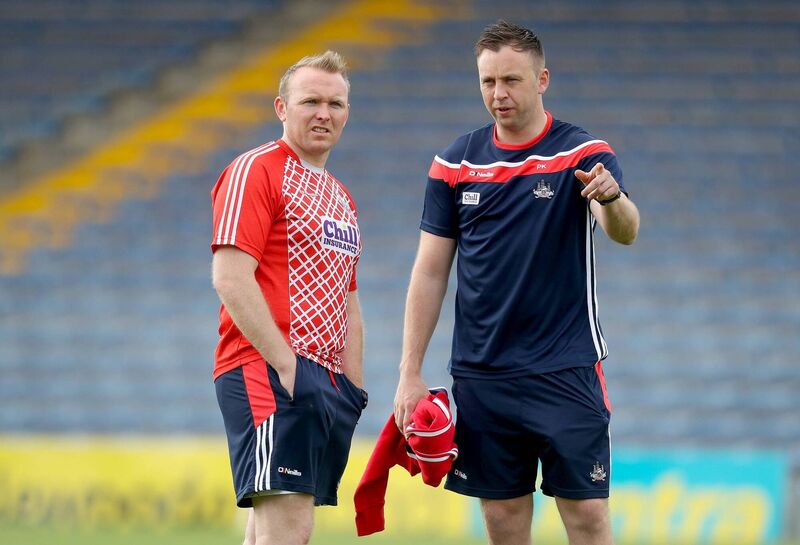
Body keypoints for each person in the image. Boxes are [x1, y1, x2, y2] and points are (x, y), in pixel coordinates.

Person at [393, 20, 640, 545]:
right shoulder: (453, 163)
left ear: (542, 78)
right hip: (484, 376)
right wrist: (409, 371)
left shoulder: (582, 153)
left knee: (589, 517)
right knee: (503, 523)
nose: (499, 94)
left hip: (564, 369)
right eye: (488, 82)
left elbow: (624, 232)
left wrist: (612, 197)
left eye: (512, 80)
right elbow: (430, 271)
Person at [211, 50, 368, 545]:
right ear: (281, 107)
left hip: (324, 380)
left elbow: (348, 296)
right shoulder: (255, 169)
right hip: (267, 368)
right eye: (311, 101)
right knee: (290, 527)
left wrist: (352, 385)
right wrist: (286, 366)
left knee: (271, 531)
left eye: (336, 104)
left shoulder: (341, 195)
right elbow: (231, 276)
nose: (324, 113)